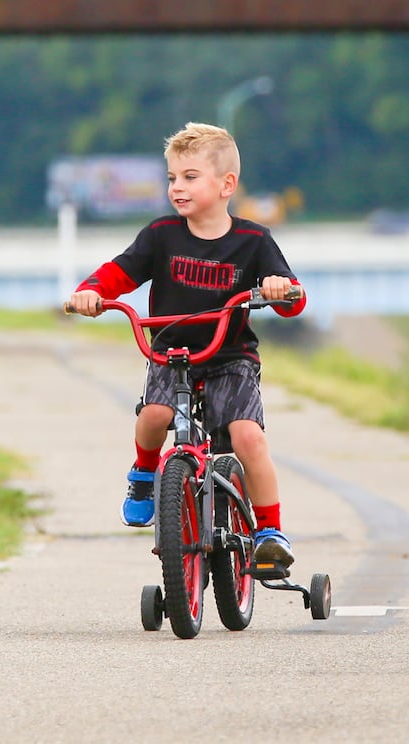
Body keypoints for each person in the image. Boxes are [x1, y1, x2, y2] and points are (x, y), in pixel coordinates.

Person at [66, 122, 305, 566]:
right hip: (171, 354)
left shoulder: (253, 241)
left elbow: (293, 297)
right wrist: (92, 292)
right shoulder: (161, 235)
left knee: (248, 438)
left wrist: (278, 288)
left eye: (190, 177)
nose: (177, 187)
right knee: (153, 417)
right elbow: (119, 272)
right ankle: (143, 473)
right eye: (172, 177)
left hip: (230, 357)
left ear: (226, 184)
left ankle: (270, 531)